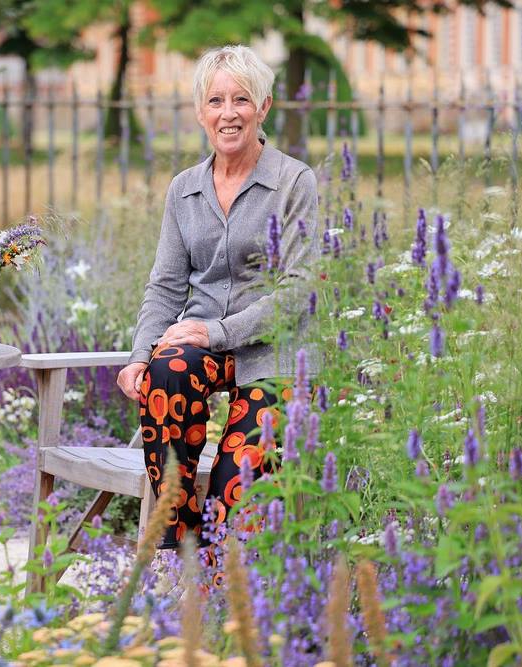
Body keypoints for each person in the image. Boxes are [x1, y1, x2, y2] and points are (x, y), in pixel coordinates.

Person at [116, 45, 320, 554]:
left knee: (237, 477)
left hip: (273, 350)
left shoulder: (294, 182)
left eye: (241, 100)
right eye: (215, 101)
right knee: (166, 372)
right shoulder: (184, 189)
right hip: (204, 345)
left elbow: (299, 288)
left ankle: (227, 584)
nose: (228, 113)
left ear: (264, 107)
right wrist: (140, 357)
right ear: (200, 112)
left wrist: (217, 331)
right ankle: (176, 540)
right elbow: (165, 286)